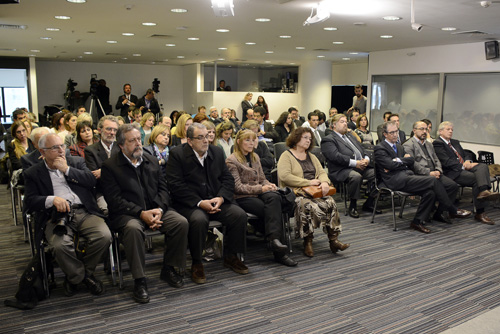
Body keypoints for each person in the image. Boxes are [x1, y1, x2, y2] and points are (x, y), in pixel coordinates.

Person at [101, 123, 188, 303]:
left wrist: (159, 210)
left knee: (180, 222)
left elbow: (164, 190)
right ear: (121, 145)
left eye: (139, 140)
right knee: (133, 230)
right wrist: (141, 213)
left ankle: (169, 268)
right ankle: (139, 280)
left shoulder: (151, 160)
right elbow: (114, 200)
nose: (138, 144)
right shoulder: (110, 166)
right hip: (128, 214)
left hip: (156, 209)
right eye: (132, 141)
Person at [24, 133, 111, 297]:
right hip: (55, 216)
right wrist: (51, 199)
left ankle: (74, 278)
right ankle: (83, 277)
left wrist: (67, 170)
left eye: (62, 146)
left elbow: (91, 181)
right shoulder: (33, 173)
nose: (61, 150)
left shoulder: (76, 162)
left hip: (84, 211)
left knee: (104, 236)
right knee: (59, 245)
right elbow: (30, 201)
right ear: (42, 152)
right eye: (54, 148)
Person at [166, 123, 249, 284]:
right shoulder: (177, 154)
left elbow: (227, 179)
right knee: (198, 220)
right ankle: (197, 262)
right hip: (191, 202)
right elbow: (175, 185)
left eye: (208, 136)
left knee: (239, 215)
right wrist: (199, 202)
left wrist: (221, 198)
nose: (206, 141)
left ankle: (231, 256)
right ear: (189, 141)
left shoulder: (216, 152)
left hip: (216, 199)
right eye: (200, 137)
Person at [226, 129, 297, 266]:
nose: (251, 143)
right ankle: (279, 251)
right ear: (239, 142)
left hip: (259, 193)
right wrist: (261, 188)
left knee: (274, 198)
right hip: (243, 197)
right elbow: (237, 187)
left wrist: (269, 185)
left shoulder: (255, 157)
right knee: (271, 210)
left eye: (253, 140)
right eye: (247, 140)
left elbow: (262, 179)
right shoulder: (231, 161)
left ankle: (274, 241)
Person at [278, 127, 349, 257]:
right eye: (305, 137)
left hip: (314, 191)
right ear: (296, 138)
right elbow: (284, 176)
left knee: (330, 201)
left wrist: (324, 182)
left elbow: (322, 172)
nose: (308, 141)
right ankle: (308, 241)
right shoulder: (286, 155)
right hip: (296, 192)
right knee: (304, 204)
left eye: (310, 139)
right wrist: (308, 182)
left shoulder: (311, 156)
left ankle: (333, 240)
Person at [375, 121, 446, 234]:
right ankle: (451, 208)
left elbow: (410, 161)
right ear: (385, 134)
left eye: (396, 132)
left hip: (406, 176)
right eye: (392, 132)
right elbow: (389, 165)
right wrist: (401, 161)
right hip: (393, 181)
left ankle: (417, 222)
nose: (395, 134)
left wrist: (398, 162)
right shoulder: (380, 148)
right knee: (432, 180)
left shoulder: (399, 147)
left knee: (430, 192)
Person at [403, 121, 472, 224]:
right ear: (414, 130)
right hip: (421, 175)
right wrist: (429, 173)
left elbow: (436, 159)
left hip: (435, 173)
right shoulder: (408, 145)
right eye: (421, 129)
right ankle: (451, 209)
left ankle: (439, 213)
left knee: (452, 186)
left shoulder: (429, 144)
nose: (424, 131)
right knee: (435, 188)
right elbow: (413, 164)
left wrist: (438, 170)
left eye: (426, 129)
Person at [433, 121, 499, 225]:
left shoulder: (455, 142)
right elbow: (446, 162)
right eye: (448, 129)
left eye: (452, 130)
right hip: (452, 172)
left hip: (463, 167)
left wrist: (468, 161)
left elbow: (466, 154)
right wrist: (463, 166)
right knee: (478, 179)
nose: (451, 131)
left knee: (483, 166)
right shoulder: (438, 144)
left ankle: (484, 191)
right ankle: (480, 211)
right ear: (440, 132)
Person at [321, 114, 379, 218]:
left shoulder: (350, 136)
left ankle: (369, 202)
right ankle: (353, 205)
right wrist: (355, 163)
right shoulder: (328, 139)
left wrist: (366, 159)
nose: (345, 124)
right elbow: (336, 157)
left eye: (346, 121)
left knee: (378, 174)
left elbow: (362, 149)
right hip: (341, 169)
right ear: (334, 125)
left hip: (360, 166)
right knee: (355, 177)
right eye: (342, 122)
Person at [84, 115, 121, 215]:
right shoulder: (90, 150)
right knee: (106, 210)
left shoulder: (121, 147)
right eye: (109, 129)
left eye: (115, 130)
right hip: (102, 191)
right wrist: (118, 170)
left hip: (122, 189)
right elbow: (94, 176)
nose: (112, 133)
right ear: (99, 130)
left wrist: (103, 171)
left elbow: (127, 171)